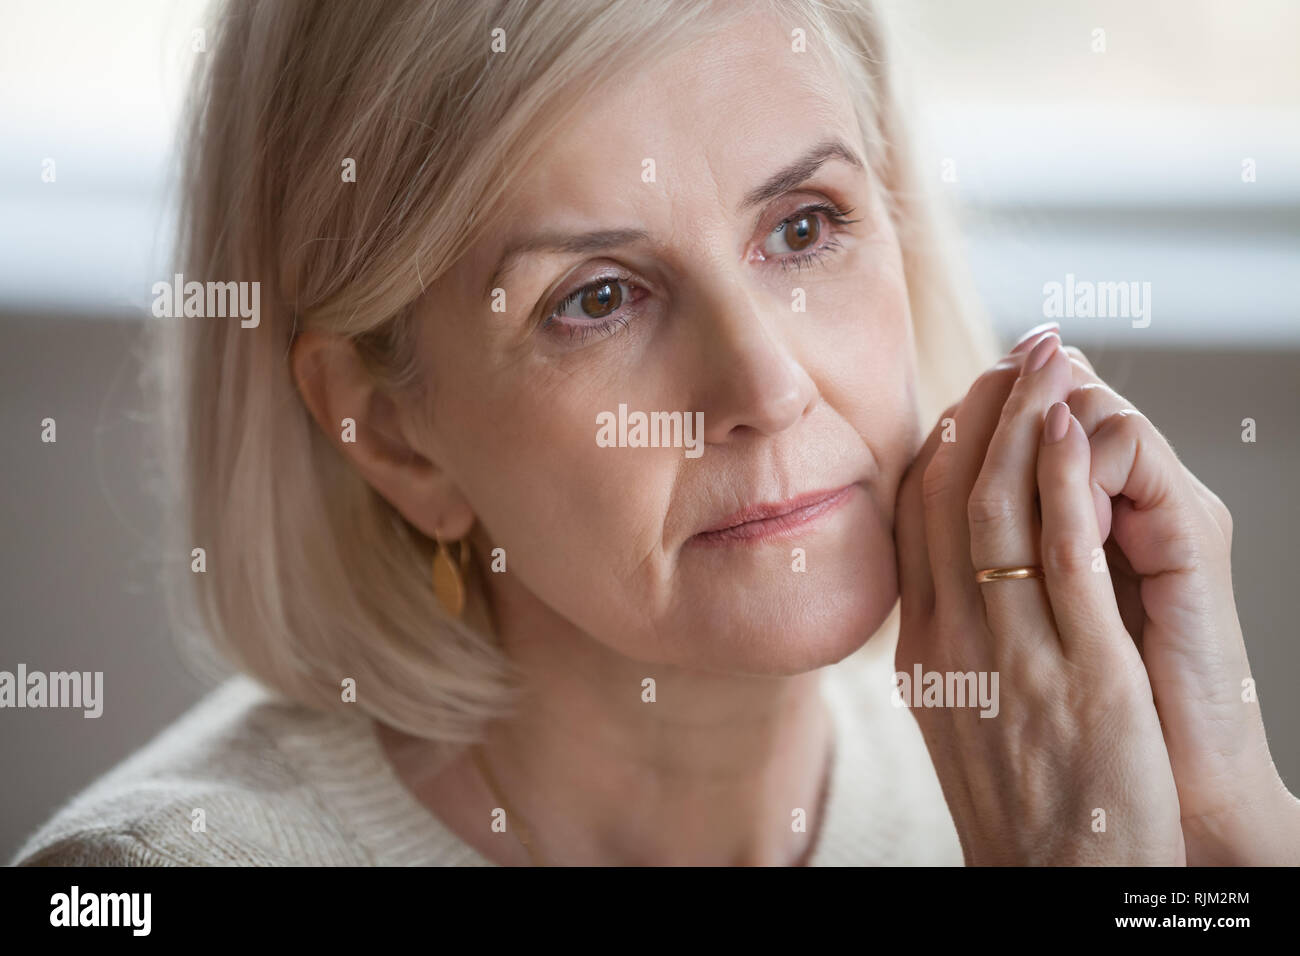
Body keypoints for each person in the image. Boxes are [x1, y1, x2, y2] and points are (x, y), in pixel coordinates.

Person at [12, 0, 1297, 867]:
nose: (768, 381)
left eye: (803, 225)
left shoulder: (1043, 780)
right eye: (597, 298)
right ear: (392, 431)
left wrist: (1230, 846)